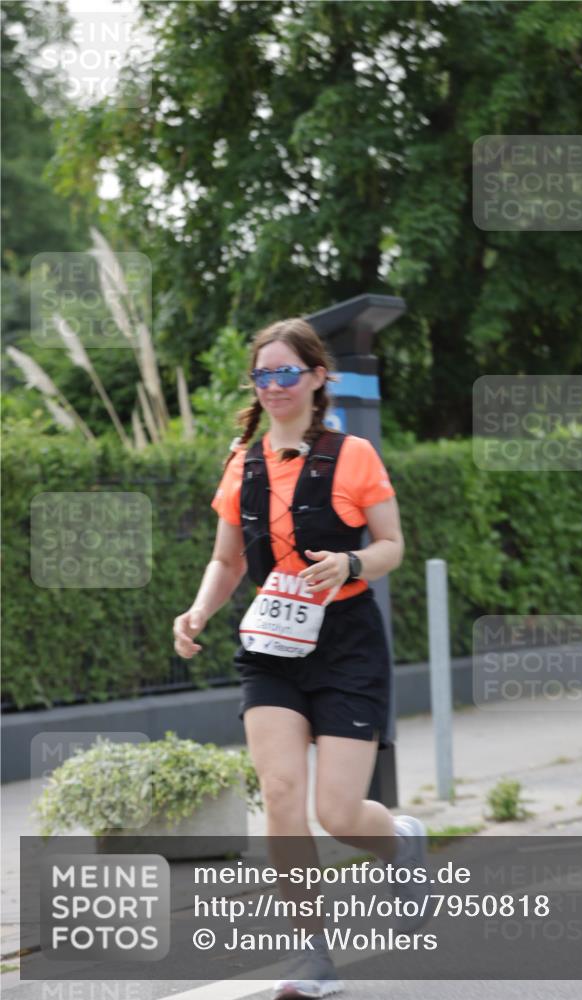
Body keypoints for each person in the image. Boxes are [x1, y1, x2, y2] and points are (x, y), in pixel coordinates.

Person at [173, 318, 429, 1000]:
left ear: (318, 377)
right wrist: (200, 610)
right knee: (282, 796)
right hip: (270, 647)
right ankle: (310, 956)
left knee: (338, 813)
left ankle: (401, 842)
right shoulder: (243, 463)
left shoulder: (354, 457)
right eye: (264, 374)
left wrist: (350, 561)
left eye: (288, 372)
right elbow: (227, 560)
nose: (275, 385)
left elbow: (391, 545)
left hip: (345, 641)